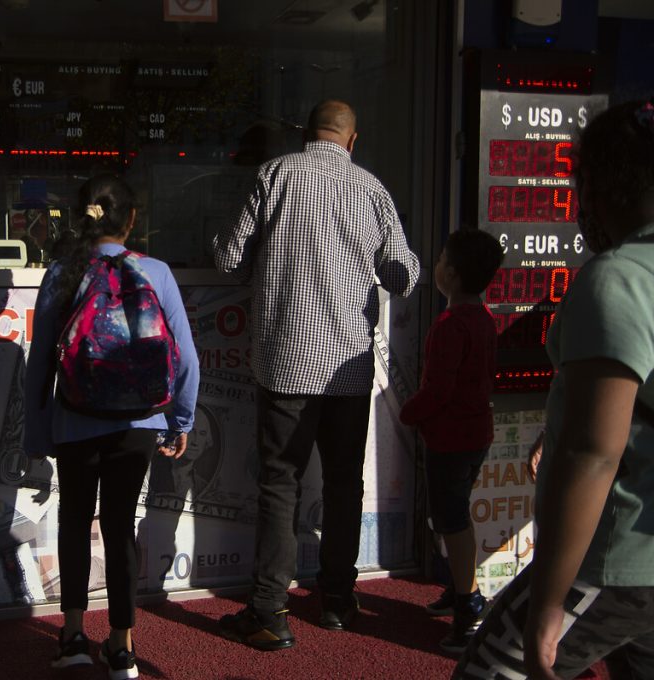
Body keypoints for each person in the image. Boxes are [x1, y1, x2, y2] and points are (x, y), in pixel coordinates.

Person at [454, 100, 654, 679]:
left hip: (614, 561)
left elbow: (594, 453)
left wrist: (547, 602)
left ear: (604, 185)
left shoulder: (618, 277)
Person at [213, 99, 420, 647]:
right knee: (344, 483)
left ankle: (269, 610)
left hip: (284, 364)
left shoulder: (274, 175)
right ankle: (337, 600)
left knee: (279, 484)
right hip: (348, 370)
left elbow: (230, 259)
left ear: (306, 133)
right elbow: (402, 275)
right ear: (353, 140)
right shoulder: (372, 190)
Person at [23, 173, 200, 680]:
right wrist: (179, 420)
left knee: (75, 521)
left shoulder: (62, 271)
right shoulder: (156, 272)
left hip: (74, 420)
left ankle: (73, 635)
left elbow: (40, 363)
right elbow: (186, 360)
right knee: (120, 527)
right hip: (139, 422)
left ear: (82, 218)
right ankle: (121, 646)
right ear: (132, 220)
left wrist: (38, 432)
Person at [399, 228, 503, 654]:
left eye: (441, 259)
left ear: (452, 274)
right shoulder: (484, 319)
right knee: (453, 516)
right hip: (475, 436)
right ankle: (460, 586)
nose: (436, 265)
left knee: (452, 520)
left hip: (450, 440)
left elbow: (438, 391)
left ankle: (468, 605)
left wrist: (408, 413)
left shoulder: (450, 325)